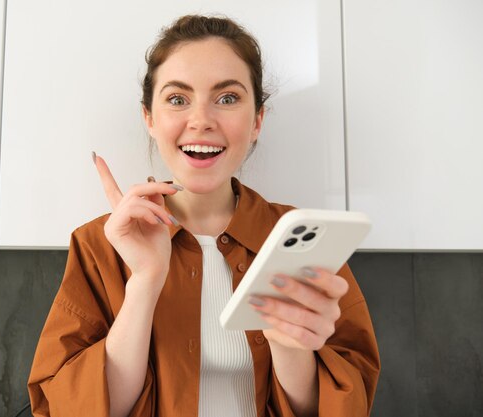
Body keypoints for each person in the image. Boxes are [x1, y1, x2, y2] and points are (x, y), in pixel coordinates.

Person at [28, 15, 380, 417]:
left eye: (227, 98)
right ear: (150, 118)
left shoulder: (301, 239)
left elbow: (339, 406)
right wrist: (145, 281)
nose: (201, 120)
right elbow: (76, 408)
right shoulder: (98, 244)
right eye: (178, 99)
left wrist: (288, 344)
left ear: (257, 121)